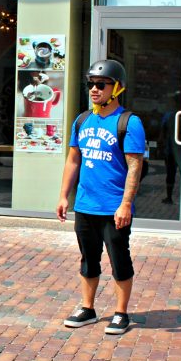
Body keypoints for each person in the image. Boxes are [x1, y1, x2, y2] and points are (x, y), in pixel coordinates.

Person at [56, 59, 146, 335]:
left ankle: (121, 312)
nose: (94, 90)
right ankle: (88, 308)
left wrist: (126, 204)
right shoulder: (82, 120)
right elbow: (73, 161)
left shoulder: (129, 123)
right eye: (91, 84)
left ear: (116, 88)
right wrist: (63, 196)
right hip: (85, 205)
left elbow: (134, 165)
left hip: (113, 207)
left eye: (101, 85)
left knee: (119, 260)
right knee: (88, 259)